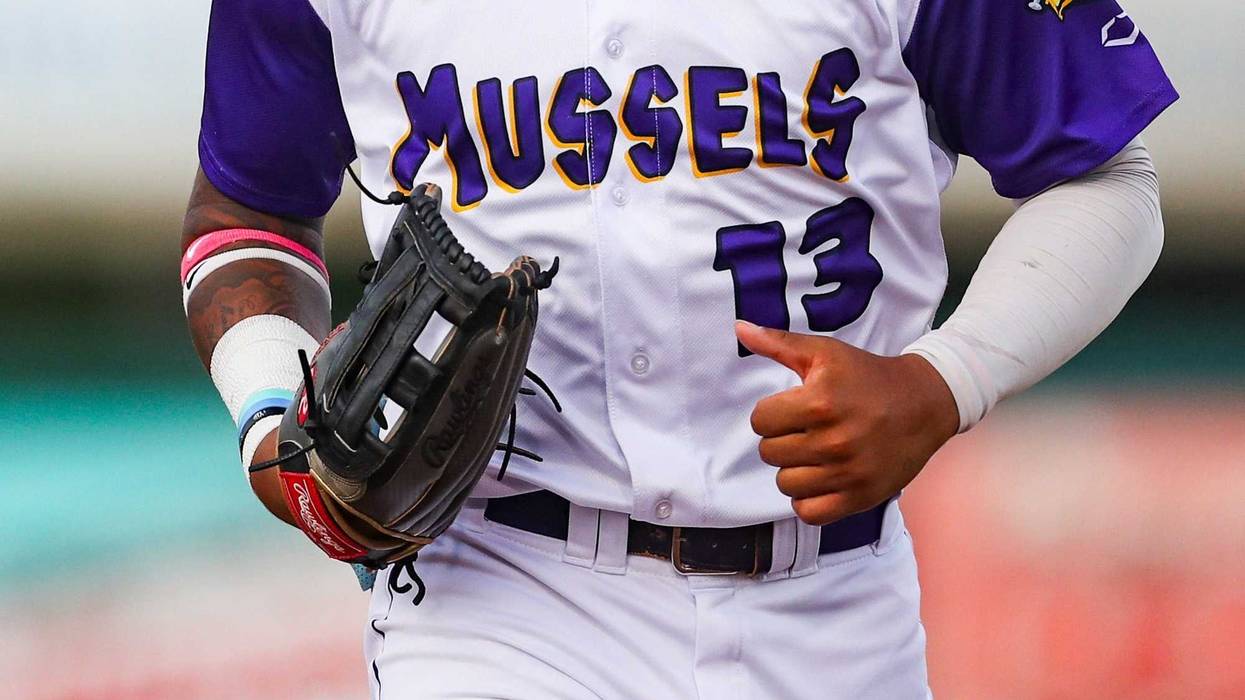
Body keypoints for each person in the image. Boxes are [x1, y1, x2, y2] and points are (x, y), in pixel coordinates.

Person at [181, 1, 1176, 697]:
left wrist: (944, 380)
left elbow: (1104, 180)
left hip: (835, 606)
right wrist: (269, 419)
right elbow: (249, 210)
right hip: (502, 589)